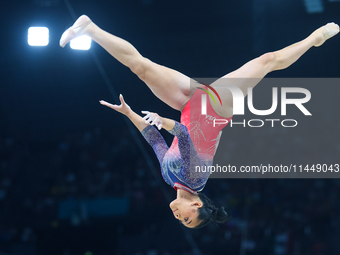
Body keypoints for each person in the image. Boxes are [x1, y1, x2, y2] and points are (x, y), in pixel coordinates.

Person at [59, 15, 339, 228]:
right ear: (196, 203)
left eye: (182, 222)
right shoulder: (195, 179)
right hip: (217, 106)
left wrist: (128, 113)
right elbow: (182, 134)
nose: (180, 217)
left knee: (141, 67)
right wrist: (161, 120)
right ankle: (314, 39)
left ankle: (89, 28)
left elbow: (155, 141)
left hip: (188, 104)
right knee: (267, 60)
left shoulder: (171, 179)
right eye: (188, 219)